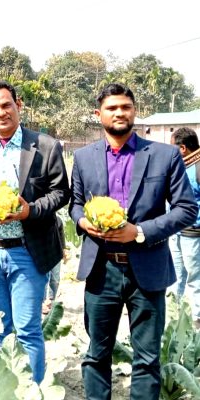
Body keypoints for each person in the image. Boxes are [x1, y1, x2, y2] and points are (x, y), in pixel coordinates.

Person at [69, 83, 198, 399]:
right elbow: (74, 203)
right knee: (97, 355)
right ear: (98, 114)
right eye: (111, 108)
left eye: (125, 107)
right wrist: (83, 221)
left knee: (147, 359)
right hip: (101, 270)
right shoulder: (84, 157)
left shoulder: (164, 155)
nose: (119, 113)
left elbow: (186, 209)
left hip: (148, 270)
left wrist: (138, 232)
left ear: (134, 111)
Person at [0, 81, 70, 384]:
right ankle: (4, 388)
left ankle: (32, 390)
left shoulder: (45, 145)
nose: (1, 112)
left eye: (6, 105)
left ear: (19, 104)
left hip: (28, 250)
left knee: (28, 329)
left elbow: (61, 193)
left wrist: (29, 210)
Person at [168, 127, 200, 328]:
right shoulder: (181, 166)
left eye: (173, 147)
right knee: (175, 275)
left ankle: (197, 319)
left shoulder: (198, 167)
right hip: (176, 231)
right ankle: (174, 315)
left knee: (195, 278)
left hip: (193, 233)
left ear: (182, 148)